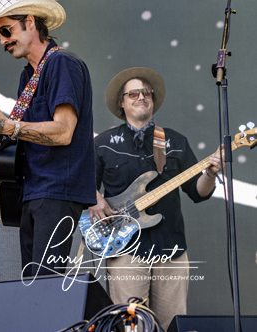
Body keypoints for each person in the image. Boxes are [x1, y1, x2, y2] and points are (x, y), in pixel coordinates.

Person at [0, 0, 96, 277]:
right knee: (32, 284)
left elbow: (64, 131)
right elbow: (24, 133)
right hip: (32, 189)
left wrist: (9, 126)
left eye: (6, 31)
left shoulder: (62, 62)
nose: (2, 41)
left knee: (45, 284)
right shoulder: (28, 75)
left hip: (57, 189)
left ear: (29, 21)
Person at [90, 67, 220, 330]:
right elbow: (84, 186)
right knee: (131, 327)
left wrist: (210, 173)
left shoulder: (175, 141)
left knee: (172, 324)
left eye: (146, 92)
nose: (141, 97)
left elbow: (198, 192)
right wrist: (95, 199)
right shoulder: (103, 143)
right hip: (125, 249)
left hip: (170, 248)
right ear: (121, 102)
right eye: (133, 93)